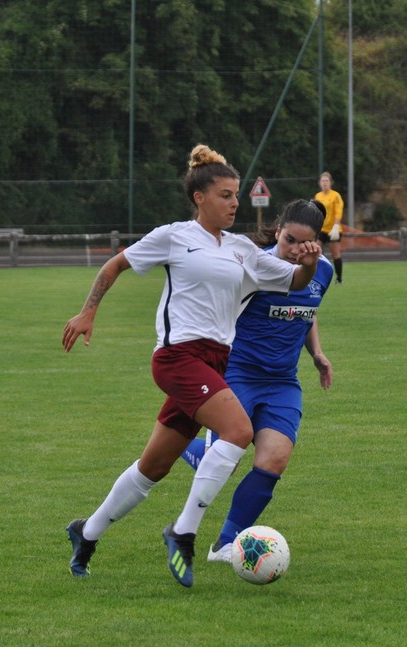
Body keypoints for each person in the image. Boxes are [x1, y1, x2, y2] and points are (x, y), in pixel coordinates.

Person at [61, 144, 322, 588]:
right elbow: (116, 265)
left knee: (153, 467)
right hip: (178, 357)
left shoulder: (242, 249)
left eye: (237, 194)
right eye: (225, 194)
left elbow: (292, 280)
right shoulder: (174, 236)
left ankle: (86, 533)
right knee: (239, 432)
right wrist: (88, 311)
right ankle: (182, 532)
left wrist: (309, 263)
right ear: (199, 198)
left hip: (214, 364)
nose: (235, 203)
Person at [178, 198, 334, 562]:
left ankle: (225, 544)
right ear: (277, 230)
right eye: (289, 240)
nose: (295, 251)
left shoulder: (321, 271)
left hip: (282, 382)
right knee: (225, 459)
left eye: (304, 244)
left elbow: (307, 313)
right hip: (237, 374)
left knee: (274, 460)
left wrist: (318, 354)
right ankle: (189, 447)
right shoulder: (251, 266)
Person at [314, 171, 345, 284]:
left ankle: (339, 278)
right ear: (319, 183)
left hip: (333, 230)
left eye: (327, 181)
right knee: (314, 250)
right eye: (323, 181)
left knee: (335, 254)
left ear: (330, 182)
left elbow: (338, 211)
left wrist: (336, 226)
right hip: (322, 229)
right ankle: (314, 275)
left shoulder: (335, 195)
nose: (325, 183)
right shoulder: (318, 196)